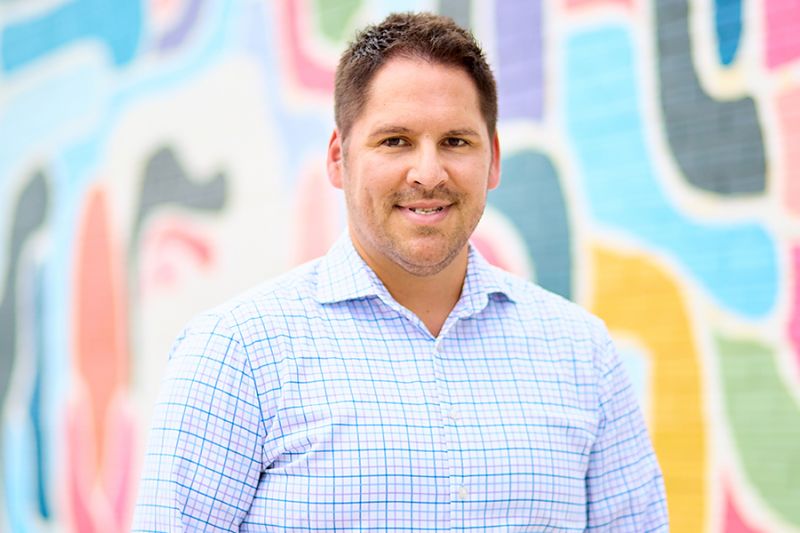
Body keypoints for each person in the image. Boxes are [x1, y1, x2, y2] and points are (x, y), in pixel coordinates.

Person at [133, 12, 668, 531]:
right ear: (339, 158)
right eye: (395, 141)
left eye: (456, 141)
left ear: (493, 159)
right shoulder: (238, 353)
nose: (428, 173)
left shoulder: (582, 354)